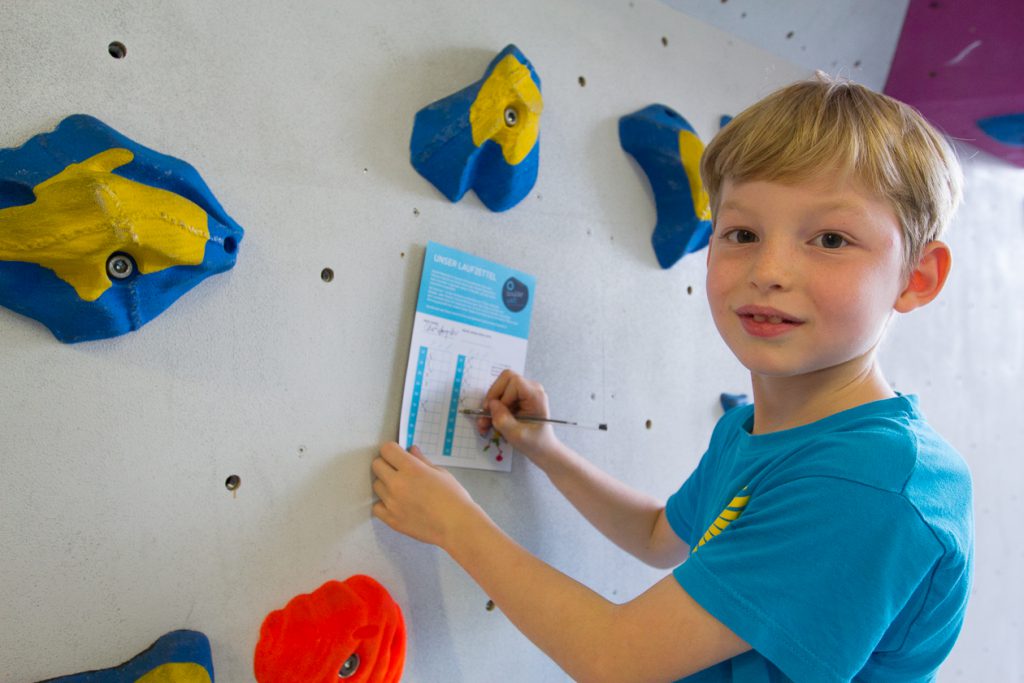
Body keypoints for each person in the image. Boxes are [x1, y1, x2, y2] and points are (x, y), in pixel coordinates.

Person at [371, 74, 974, 682]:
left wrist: (453, 523)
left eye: (830, 239)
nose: (768, 270)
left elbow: (620, 659)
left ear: (916, 276)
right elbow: (662, 535)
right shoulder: (753, 429)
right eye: (742, 233)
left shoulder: (873, 481)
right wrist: (545, 449)